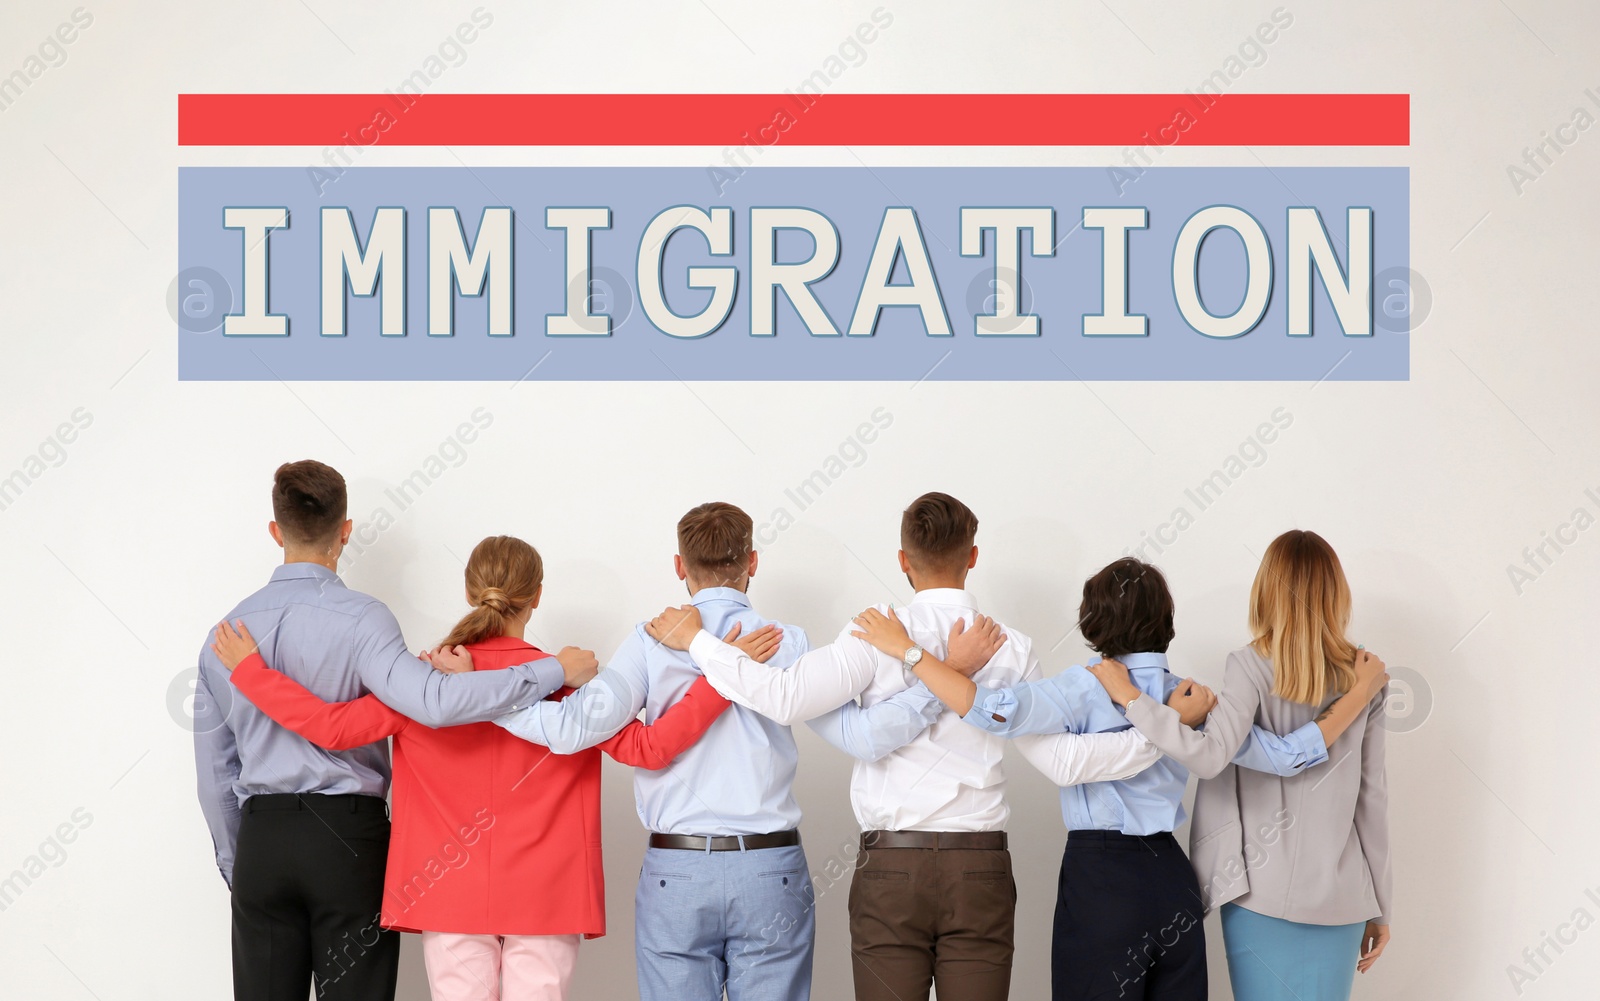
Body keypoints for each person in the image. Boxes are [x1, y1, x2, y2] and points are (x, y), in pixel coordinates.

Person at [644, 493, 1185, 1001]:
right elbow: (1064, 762)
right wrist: (1160, 733)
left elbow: (783, 698)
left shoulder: (873, 631)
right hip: (981, 871)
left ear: (903, 559)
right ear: (972, 556)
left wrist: (698, 641)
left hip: (890, 870)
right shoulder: (1010, 647)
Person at [209, 535, 768, 1001]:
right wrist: (724, 678)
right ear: (537, 597)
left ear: (472, 591)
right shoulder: (568, 685)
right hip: (547, 895)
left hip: (448, 892)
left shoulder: (422, 683)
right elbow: (649, 748)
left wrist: (252, 672)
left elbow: (330, 728)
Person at [851, 555, 1376, 1000]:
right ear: (1166, 620)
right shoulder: (1192, 698)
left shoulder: (1083, 688)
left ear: (1092, 621)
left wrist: (913, 655)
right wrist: (1359, 695)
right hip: (1173, 881)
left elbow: (991, 711)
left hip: (1101, 879)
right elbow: (1286, 756)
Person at [194, 461, 594, 1001]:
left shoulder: (224, 637)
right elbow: (433, 702)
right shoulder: (365, 620)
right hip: (348, 841)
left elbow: (216, 773)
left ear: (275, 531)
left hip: (261, 844)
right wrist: (554, 671)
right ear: (345, 530)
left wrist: (239, 864)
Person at [454, 504, 818, 1000]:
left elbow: (569, 729)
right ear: (752, 562)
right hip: (770, 868)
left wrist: (477, 696)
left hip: (679, 873)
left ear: (679, 566)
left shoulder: (650, 644)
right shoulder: (789, 643)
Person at [1087, 531, 1393, 1001]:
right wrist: (1381, 903)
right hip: (1344, 893)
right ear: (1337, 592)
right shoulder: (1366, 676)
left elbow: (1209, 755)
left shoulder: (1249, 665)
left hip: (1258, 890)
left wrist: (1133, 700)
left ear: (1267, 589)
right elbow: (1372, 796)